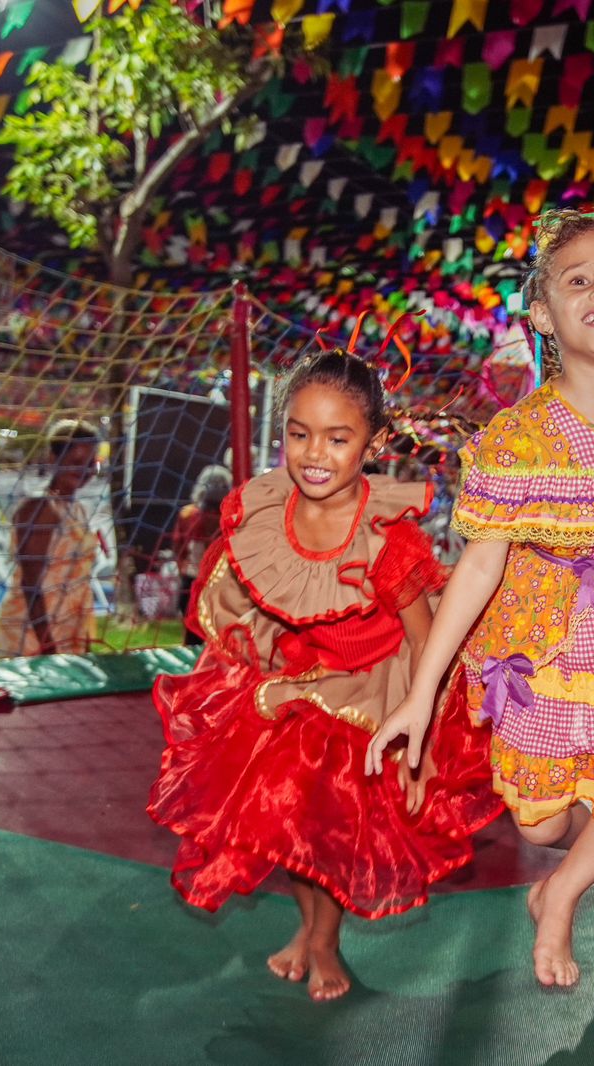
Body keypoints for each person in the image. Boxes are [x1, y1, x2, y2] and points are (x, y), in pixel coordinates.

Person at [366, 206, 594, 988]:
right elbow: (477, 566)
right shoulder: (518, 437)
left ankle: (563, 890)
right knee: (540, 821)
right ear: (542, 311)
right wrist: (421, 693)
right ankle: (589, 861)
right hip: (549, 629)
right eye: (580, 281)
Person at [147, 350, 502, 1002]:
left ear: (373, 442)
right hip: (297, 682)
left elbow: (428, 644)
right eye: (299, 432)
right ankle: (308, 928)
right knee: (283, 819)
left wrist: (421, 746)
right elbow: (259, 601)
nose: (315, 452)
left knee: (329, 825)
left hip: (374, 693)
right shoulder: (266, 508)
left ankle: (326, 940)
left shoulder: (387, 540)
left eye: (339, 438)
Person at [0, 419, 101, 656]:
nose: (84, 471)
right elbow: (30, 584)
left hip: (69, 626)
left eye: (90, 463)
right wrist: (47, 646)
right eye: (75, 462)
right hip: (33, 633)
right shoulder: (37, 509)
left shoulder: (78, 509)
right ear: (54, 459)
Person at [169, 464, 231, 646]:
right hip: (213, 583)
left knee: (194, 636)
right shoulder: (228, 517)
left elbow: (177, 546)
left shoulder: (189, 514)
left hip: (195, 581)